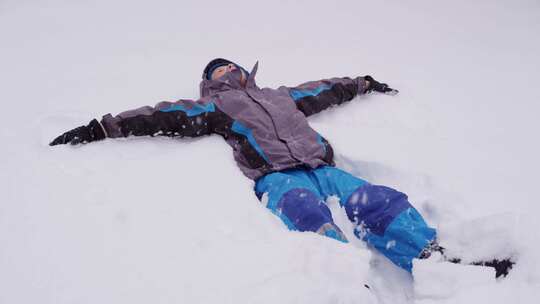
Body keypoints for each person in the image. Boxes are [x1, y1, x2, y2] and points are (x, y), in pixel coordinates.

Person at [50, 58, 511, 276]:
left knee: (380, 201)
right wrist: (101, 127)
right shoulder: (211, 108)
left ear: (245, 72)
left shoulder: (280, 96)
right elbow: (157, 115)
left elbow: (325, 88)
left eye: (230, 66)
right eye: (216, 72)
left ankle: (434, 261)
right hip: (277, 177)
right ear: (208, 85)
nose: (225, 73)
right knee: (309, 217)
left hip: (321, 165)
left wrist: (363, 82)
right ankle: (344, 283)